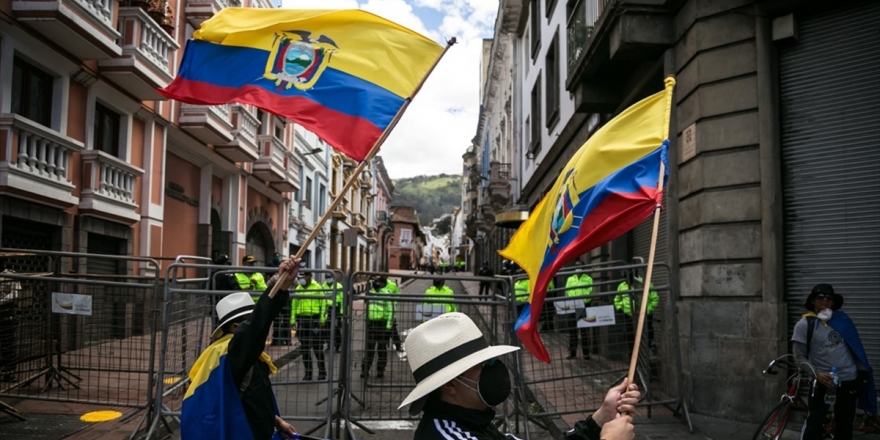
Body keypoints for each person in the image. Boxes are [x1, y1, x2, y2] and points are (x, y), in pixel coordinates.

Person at [398, 312, 638, 440]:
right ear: (450, 384)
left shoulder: (472, 422)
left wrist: (600, 418)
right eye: (483, 364)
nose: (494, 368)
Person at [180, 257, 300, 440]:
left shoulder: (228, 353)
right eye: (248, 320)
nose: (256, 327)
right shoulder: (233, 350)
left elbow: (245, 398)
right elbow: (259, 322)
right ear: (235, 328)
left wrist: (276, 421)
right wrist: (279, 285)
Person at [791, 283, 876, 440]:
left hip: (848, 381)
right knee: (815, 423)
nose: (825, 301)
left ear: (833, 302)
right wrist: (817, 374)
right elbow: (799, 357)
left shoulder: (843, 321)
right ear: (813, 301)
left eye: (828, 298)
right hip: (822, 382)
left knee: (845, 425)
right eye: (820, 297)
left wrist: (862, 373)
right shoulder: (804, 325)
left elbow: (855, 349)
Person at [290, 267, 327, 380]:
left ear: (310, 276)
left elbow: (323, 305)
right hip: (302, 320)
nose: (301, 280)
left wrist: (322, 319)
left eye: (303, 277)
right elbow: (294, 305)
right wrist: (292, 320)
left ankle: (322, 372)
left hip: (314, 320)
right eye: (300, 277)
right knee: (305, 348)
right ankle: (308, 373)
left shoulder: (317, 287)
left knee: (317, 348)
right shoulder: (299, 288)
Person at [361, 276, 397, 379]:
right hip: (371, 324)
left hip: (382, 325)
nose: (375, 283)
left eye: (378, 282)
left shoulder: (387, 294)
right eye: (374, 281)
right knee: (369, 349)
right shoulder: (370, 293)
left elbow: (391, 311)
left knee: (381, 350)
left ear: (382, 284)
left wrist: (388, 327)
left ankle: (380, 370)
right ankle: (365, 370)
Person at [614, 270, 658, 350]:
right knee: (629, 337)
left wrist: (647, 311)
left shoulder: (645, 283)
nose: (626, 281)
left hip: (644, 316)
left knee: (647, 335)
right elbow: (617, 299)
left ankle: (645, 355)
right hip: (628, 317)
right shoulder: (622, 286)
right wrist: (620, 309)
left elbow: (654, 299)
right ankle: (632, 357)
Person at [564, 269, 593, 360]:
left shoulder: (588, 279)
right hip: (572, 306)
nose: (578, 269)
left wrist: (583, 300)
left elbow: (590, 290)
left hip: (583, 306)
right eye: (576, 266)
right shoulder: (570, 279)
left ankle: (586, 353)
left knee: (584, 331)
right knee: (572, 331)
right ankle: (572, 353)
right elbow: (566, 291)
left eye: (580, 266)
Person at [0, 262, 22, 383]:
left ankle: (9, 373)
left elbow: (14, 293)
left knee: (7, 344)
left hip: (5, 312)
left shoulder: (9, 275)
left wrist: (1, 301)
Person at [323, 274, 345, 353]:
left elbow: (342, 299)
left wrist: (342, 311)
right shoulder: (323, 286)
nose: (328, 279)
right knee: (327, 328)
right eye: (327, 278)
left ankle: (338, 346)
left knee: (336, 328)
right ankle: (329, 346)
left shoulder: (338, 286)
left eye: (329, 278)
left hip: (336, 309)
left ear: (333, 278)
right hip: (326, 309)